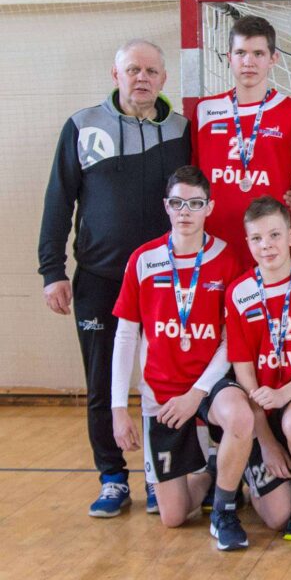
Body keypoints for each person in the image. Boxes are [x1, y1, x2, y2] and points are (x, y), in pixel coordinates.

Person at [38, 38, 191, 517]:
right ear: (116, 74)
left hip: (166, 281)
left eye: (151, 71)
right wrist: (52, 271)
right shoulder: (83, 126)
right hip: (100, 278)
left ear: (164, 79)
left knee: (164, 380)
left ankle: (159, 474)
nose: (142, 78)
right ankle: (111, 478)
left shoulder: (183, 130)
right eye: (133, 70)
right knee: (103, 381)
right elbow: (58, 200)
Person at [110, 166, 255, 549]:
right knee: (173, 517)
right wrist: (119, 408)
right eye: (177, 203)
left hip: (210, 387)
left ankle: (224, 508)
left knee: (239, 415)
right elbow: (125, 336)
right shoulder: (143, 259)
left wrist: (197, 392)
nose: (185, 212)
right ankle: (210, 473)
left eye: (194, 203)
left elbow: (231, 341)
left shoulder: (227, 258)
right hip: (162, 396)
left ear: (209, 207)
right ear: (166, 206)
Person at [226, 196, 291, 541]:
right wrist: (266, 440)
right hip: (260, 403)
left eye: (274, 235)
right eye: (257, 238)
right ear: (247, 242)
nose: (266, 245)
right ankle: (247, 467)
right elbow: (243, 372)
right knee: (278, 517)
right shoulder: (238, 292)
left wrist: (284, 394)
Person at [190, 15, 291, 269]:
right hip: (212, 250)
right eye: (240, 52)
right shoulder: (205, 111)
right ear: (229, 57)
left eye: (258, 53)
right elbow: (193, 185)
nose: (248, 62)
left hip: (272, 253)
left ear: (273, 59)